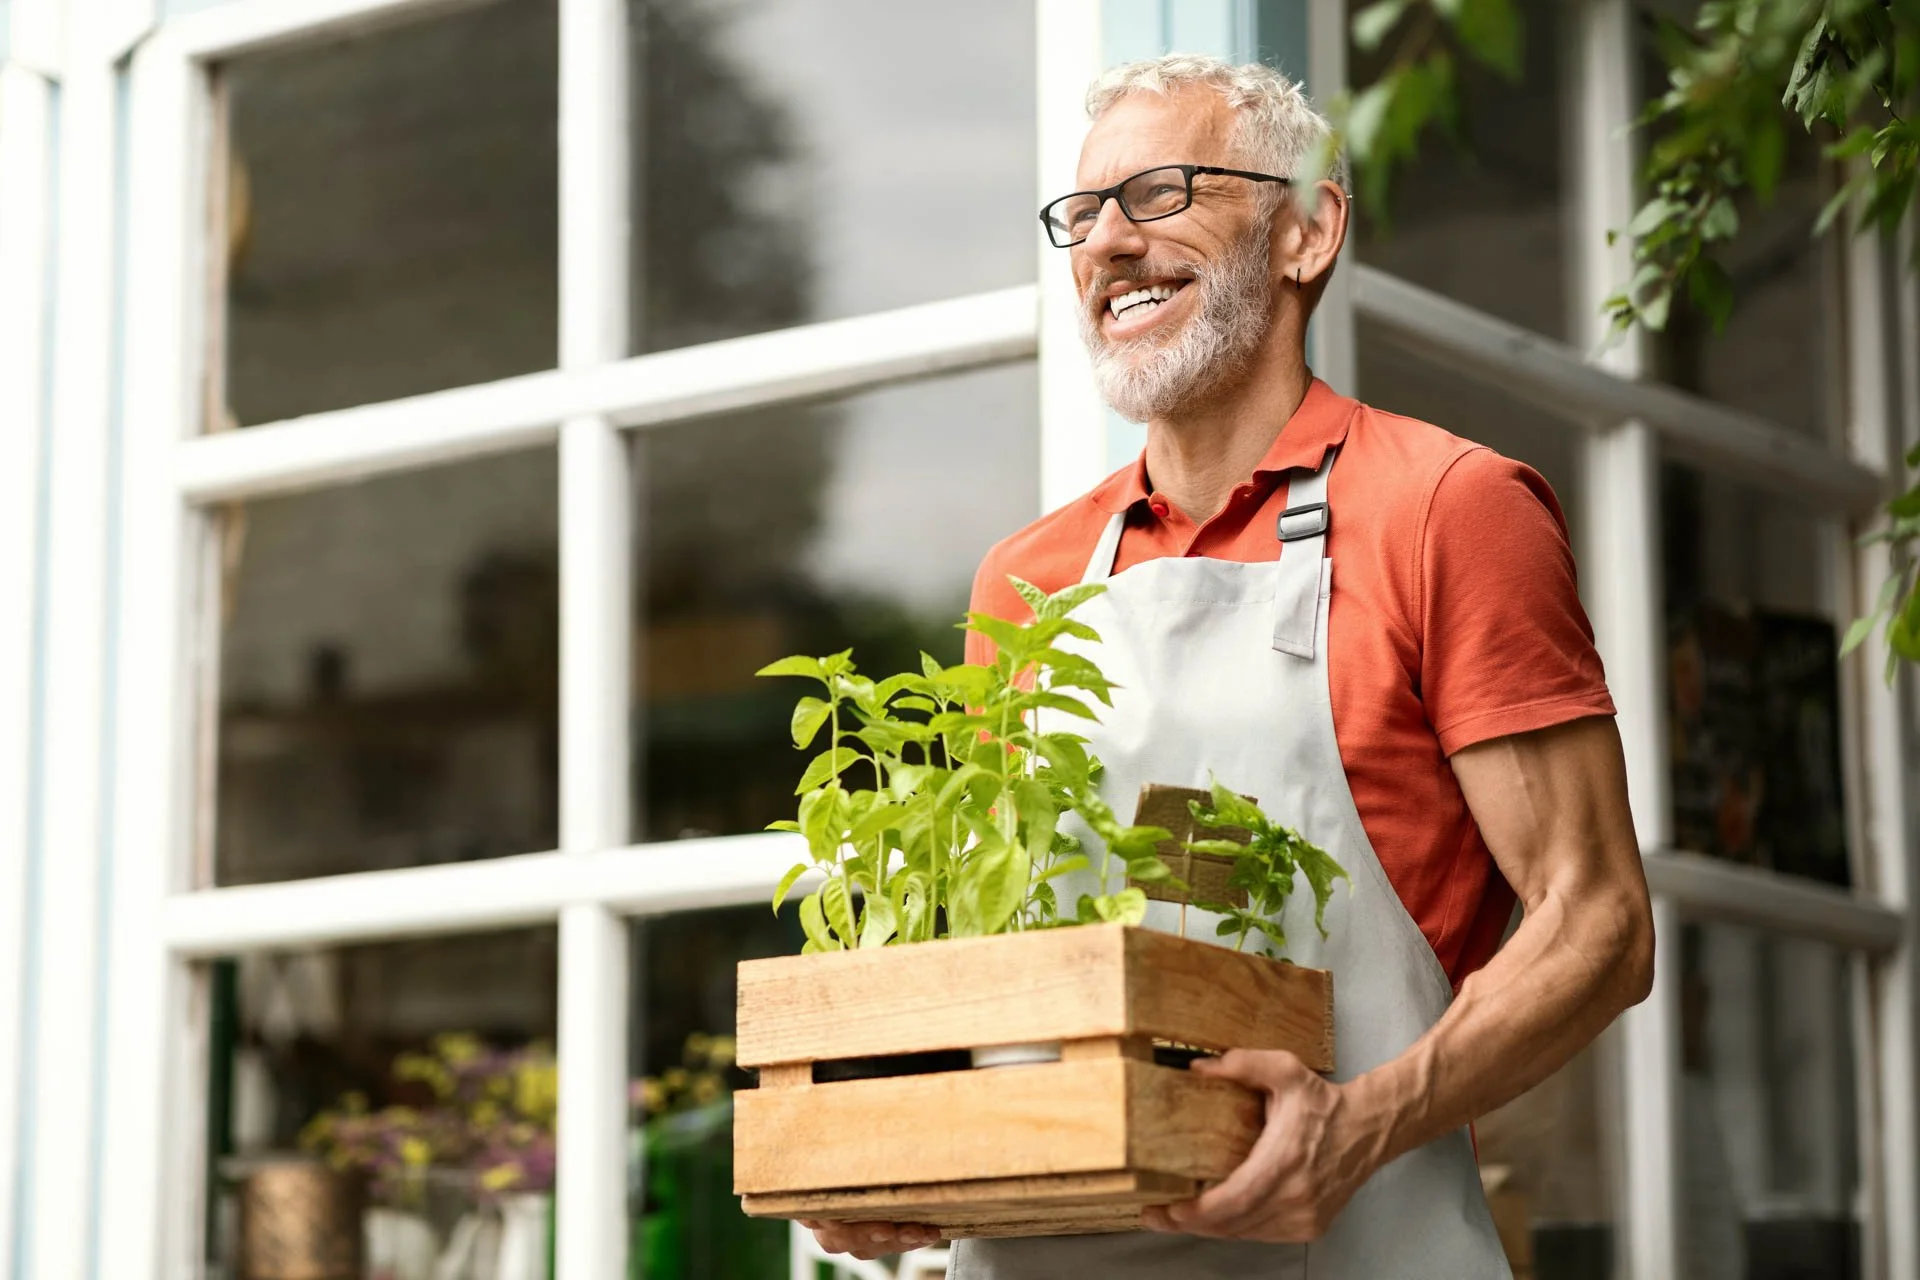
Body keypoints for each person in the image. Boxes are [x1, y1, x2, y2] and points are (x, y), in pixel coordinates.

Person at [803, 54, 1654, 1278]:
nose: (1107, 244)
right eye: (1083, 215)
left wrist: (1355, 1127)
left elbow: (1601, 921)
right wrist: (900, 1146)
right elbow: (1004, 963)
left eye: (1160, 194)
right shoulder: (1026, 580)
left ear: (1308, 229)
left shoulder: (1448, 509)